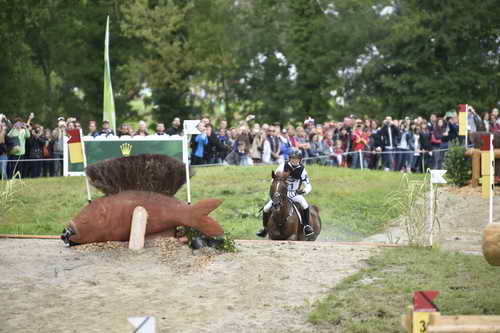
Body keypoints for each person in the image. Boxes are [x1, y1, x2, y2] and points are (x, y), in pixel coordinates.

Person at [256, 149, 314, 238]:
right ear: (290, 158)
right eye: (293, 158)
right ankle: (265, 228)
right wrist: (276, 191)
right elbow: (274, 180)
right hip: (282, 194)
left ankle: (306, 226)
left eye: (297, 159)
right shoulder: (282, 166)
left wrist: (303, 191)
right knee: (266, 208)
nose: (295, 161)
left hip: (295, 194)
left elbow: (308, 186)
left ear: (300, 160)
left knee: (305, 205)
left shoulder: (302, 170)